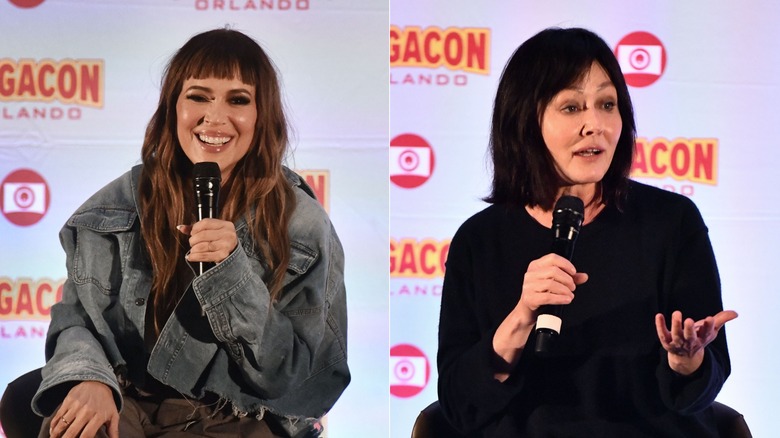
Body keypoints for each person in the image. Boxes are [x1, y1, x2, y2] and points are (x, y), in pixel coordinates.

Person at [31, 28, 350, 438]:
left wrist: (232, 277)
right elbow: (77, 320)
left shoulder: (301, 224)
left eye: (238, 100)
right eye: (198, 96)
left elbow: (287, 374)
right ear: (173, 108)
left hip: (238, 415)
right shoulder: (118, 204)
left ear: (261, 115)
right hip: (129, 399)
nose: (214, 117)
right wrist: (90, 378)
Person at [437, 27, 737, 437]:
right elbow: (457, 406)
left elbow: (702, 387)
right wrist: (523, 316)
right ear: (526, 119)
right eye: (571, 107)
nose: (594, 124)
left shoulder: (671, 221)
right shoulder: (480, 241)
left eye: (607, 104)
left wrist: (687, 361)